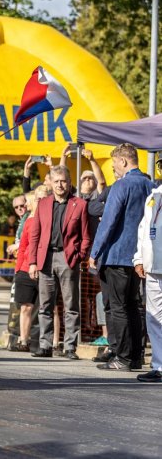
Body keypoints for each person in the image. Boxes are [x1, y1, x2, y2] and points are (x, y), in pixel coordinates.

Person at [90, 143, 153, 371]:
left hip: (116, 255)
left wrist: (94, 252)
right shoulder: (150, 185)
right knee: (133, 306)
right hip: (139, 257)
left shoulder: (122, 185)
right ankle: (135, 356)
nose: (114, 168)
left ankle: (123, 358)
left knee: (118, 308)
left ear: (124, 161)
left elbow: (108, 222)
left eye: (115, 163)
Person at [28, 165, 91, 360]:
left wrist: (79, 256)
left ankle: (70, 347)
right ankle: (45, 345)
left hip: (67, 258)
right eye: (56, 181)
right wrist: (32, 262)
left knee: (71, 304)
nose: (60, 185)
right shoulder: (43, 203)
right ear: (51, 183)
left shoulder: (79, 204)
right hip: (45, 258)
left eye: (63, 181)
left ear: (69, 182)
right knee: (45, 304)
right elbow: (35, 234)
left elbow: (86, 236)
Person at [11, 186, 50, 352]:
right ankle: (23, 340)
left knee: (48, 308)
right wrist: (18, 269)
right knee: (25, 307)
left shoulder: (51, 220)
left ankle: (50, 343)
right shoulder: (28, 221)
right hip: (25, 269)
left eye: (43, 199)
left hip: (45, 268)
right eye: (37, 199)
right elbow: (24, 246)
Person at [133, 180, 162, 382]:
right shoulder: (153, 196)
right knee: (154, 317)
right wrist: (139, 258)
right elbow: (143, 229)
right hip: (153, 267)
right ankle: (159, 366)